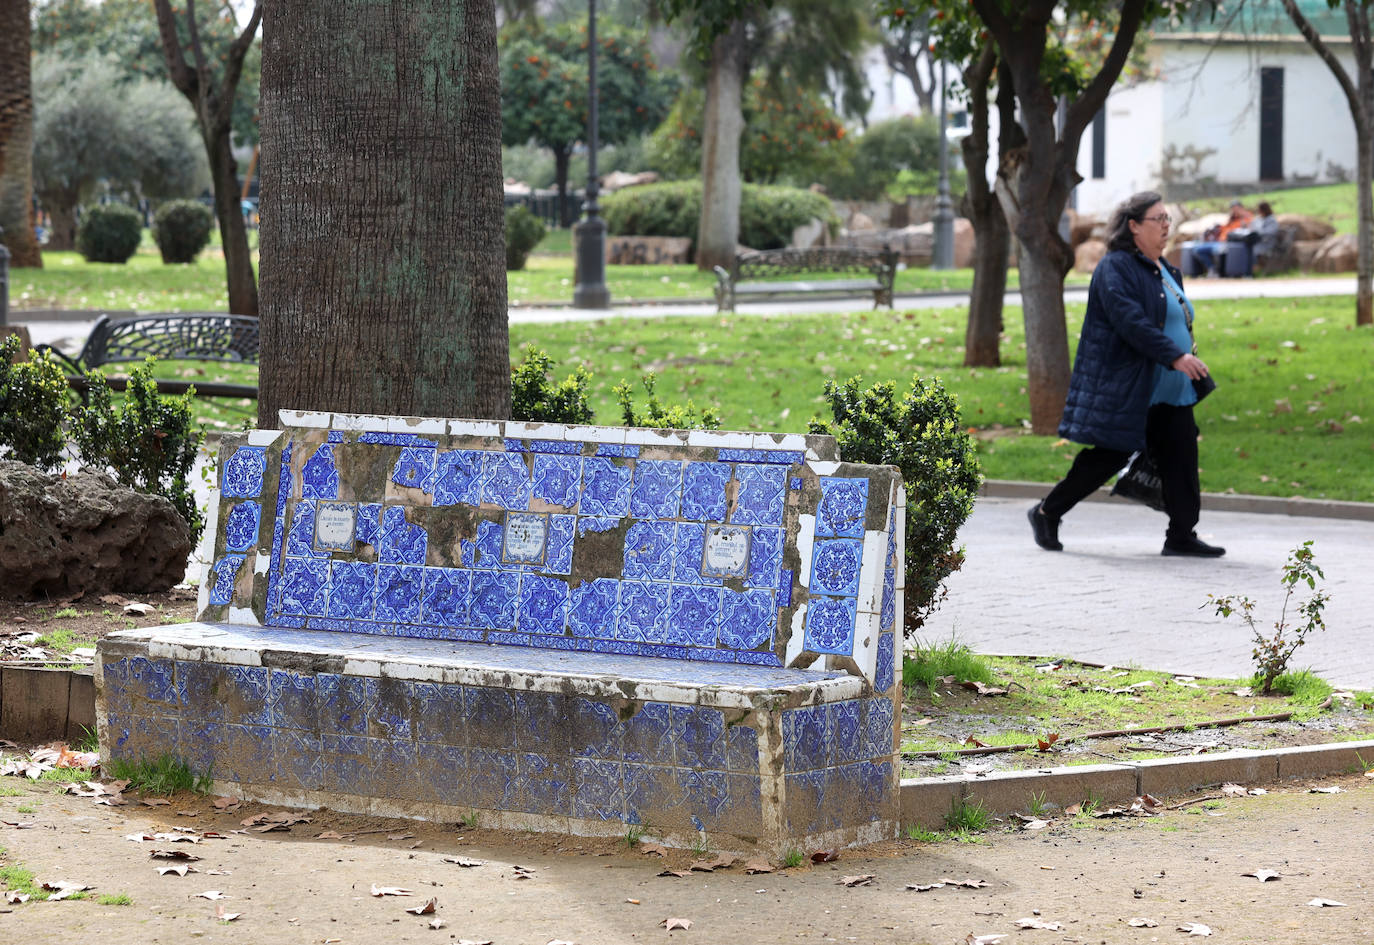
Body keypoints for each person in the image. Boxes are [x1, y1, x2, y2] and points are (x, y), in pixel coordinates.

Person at [1028, 190, 1224, 558]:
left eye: (1168, 220)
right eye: (1158, 219)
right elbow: (1129, 321)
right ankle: (1046, 512)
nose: (1167, 226)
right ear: (1133, 226)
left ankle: (1181, 534)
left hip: (1171, 385)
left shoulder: (1166, 269)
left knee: (1182, 459)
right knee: (1107, 458)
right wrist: (1175, 356)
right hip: (1132, 385)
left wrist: (1180, 361)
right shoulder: (1114, 267)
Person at [1190, 200, 1253, 275]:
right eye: (1233, 208)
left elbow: (1247, 229)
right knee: (1197, 250)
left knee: (1218, 251)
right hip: (1219, 242)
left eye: (1236, 208)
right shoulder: (1231, 219)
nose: (1234, 210)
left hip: (1229, 245)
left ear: (1241, 208)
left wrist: (1242, 215)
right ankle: (1212, 269)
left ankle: (1217, 271)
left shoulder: (1246, 217)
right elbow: (1224, 229)